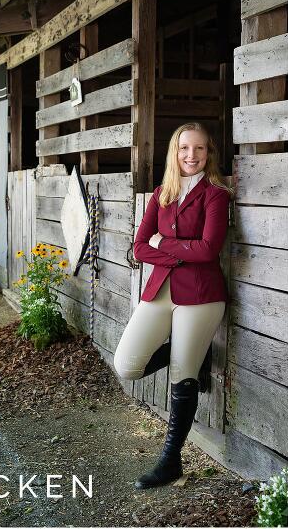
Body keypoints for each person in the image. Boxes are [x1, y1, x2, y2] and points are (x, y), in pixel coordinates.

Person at [114, 122, 232, 490]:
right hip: (161, 289)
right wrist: (182, 251)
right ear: (174, 152)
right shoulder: (161, 194)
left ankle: (170, 461)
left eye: (199, 148)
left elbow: (209, 250)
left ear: (208, 153)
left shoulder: (216, 194)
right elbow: (139, 248)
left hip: (201, 294)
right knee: (127, 365)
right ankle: (195, 353)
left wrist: (163, 243)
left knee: (182, 375)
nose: (191, 155)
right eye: (184, 148)